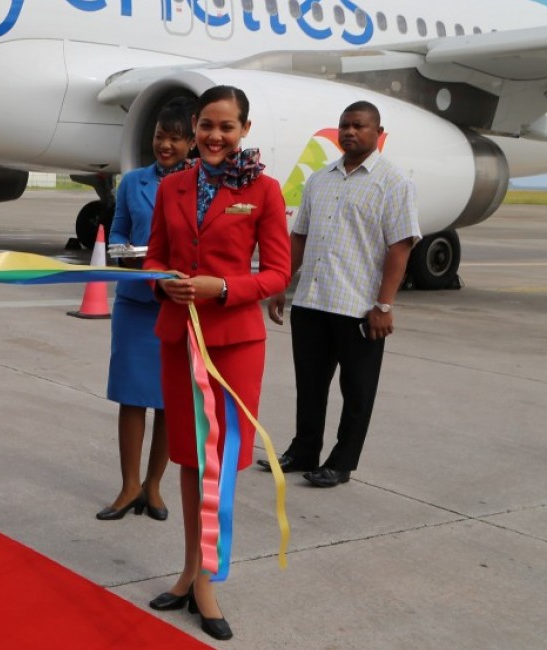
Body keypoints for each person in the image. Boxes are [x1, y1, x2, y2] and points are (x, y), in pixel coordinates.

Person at [141, 86, 290, 642]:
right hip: (179, 338)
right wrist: (164, 282)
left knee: (221, 462)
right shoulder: (173, 186)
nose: (214, 136)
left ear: (244, 130)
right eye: (207, 124)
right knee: (186, 456)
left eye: (226, 127)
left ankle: (206, 578)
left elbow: (277, 273)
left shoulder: (265, 190)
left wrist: (222, 287)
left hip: (234, 344)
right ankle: (189, 570)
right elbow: (155, 255)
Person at [263, 101, 420, 488]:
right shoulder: (319, 179)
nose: (350, 132)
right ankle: (303, 451)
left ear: (377, 133)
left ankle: (342, 462)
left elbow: (400, 247)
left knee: (357, 392)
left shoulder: (394, 183)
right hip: (313, 303)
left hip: (358, 309)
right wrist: (282, 280)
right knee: (310, 385)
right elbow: (299, 235)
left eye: (359, 126)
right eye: (344, 126)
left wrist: (384, 305)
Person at [96, 98, 194, 523]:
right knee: (131, 398)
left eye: (174, 138)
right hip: (136, 304)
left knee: (169, 401)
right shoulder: (133, 181)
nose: (165, 145)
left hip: (176, 305)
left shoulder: (199, 185)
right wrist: (122, 252)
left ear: (191, 142)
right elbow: (118, 228)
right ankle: (129, 486)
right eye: (159, 136)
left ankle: (154, 486)